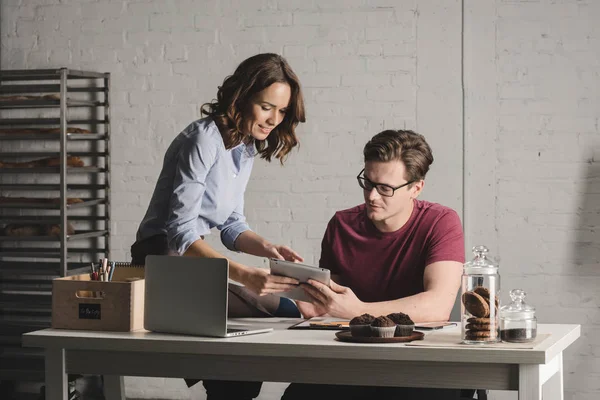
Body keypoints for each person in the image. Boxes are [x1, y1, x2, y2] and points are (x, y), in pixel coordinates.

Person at [130, 53, 306, 400]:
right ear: (241, 98)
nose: (274, 119)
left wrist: (266, 248)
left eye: (282, 111)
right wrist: (244, 274)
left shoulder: (244, 147)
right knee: (286, 309)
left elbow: (231, 224)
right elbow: (180, 232)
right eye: (267, 106)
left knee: (240, 372)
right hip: (161, 260)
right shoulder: (203, 140)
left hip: (192, 263)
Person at [284, 129, 472, 400]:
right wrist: (312, 301)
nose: (371, 196)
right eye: (368, 182)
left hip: (419, 361)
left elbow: (438, 305)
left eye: (385, 188)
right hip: (350, 359)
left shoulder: (441, 222)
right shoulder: (341, 224)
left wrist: (359, 311)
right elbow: (330, 304)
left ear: (416, 188)